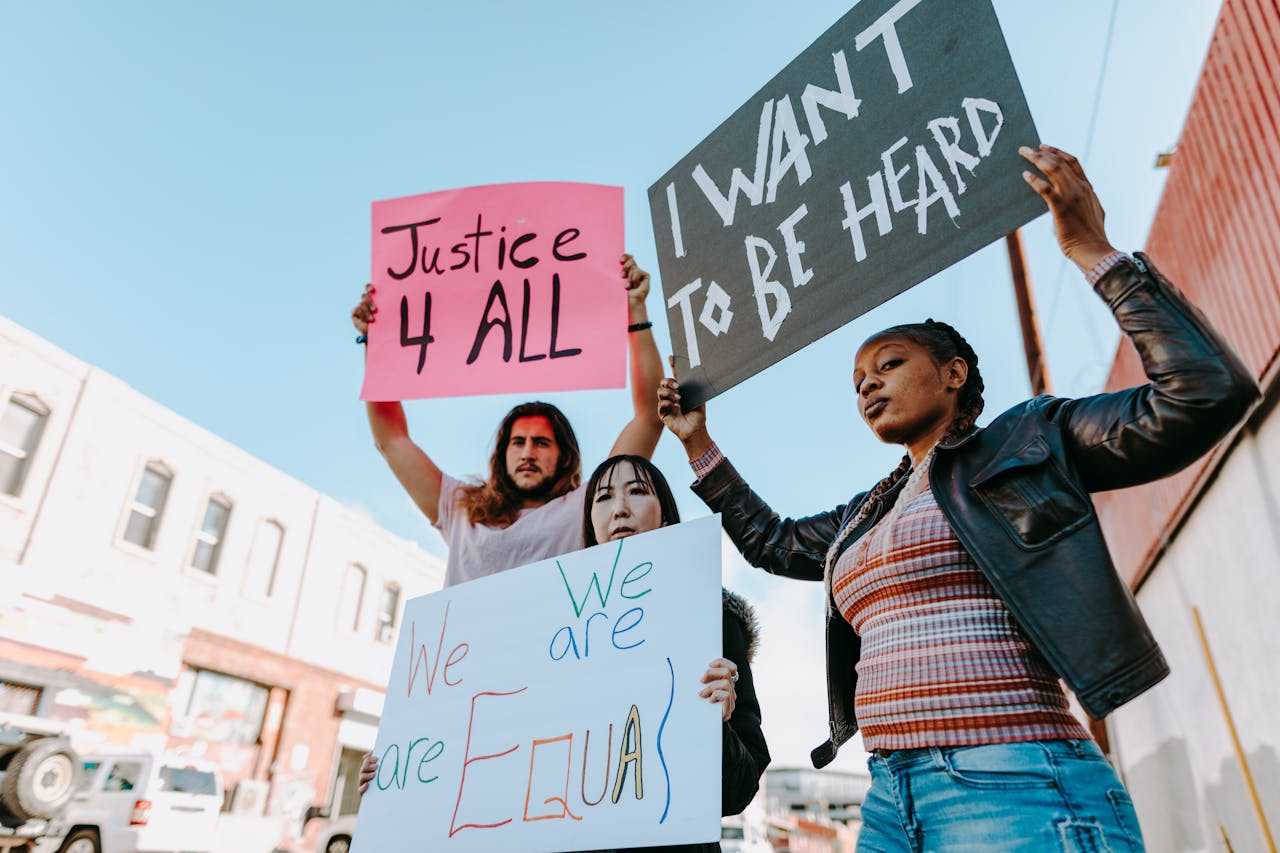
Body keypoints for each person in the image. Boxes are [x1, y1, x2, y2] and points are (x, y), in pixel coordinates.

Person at [656, 144, 1260, 852]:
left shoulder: (1028, 439)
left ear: (953, 371)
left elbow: (1203, 394)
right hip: (889, 797)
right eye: (857, 380)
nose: (868, 385)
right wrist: (697, 443)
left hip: (1013, 779)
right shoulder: (863, 515)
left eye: (889, 363)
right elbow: (773, 542)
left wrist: (1093, 250)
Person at [358, 455, 770, 853]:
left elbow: (738, 792)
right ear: (589, 522)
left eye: (638, 492)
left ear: (665, 515)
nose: (620, 509)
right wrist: (399, 775)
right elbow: (490, 756)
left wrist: (718, 725)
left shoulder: (709, 616)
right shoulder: (541, 624)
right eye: (603, 497)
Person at [351, 253, 665, 588]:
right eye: (518, 442)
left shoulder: (585, 508)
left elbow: (648, 417)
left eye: (542, 443)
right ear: (503, 452)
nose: (528, 452)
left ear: (565, 457)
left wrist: (636, 310)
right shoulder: (460, 507)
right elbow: (391, 439)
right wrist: (376, 340)